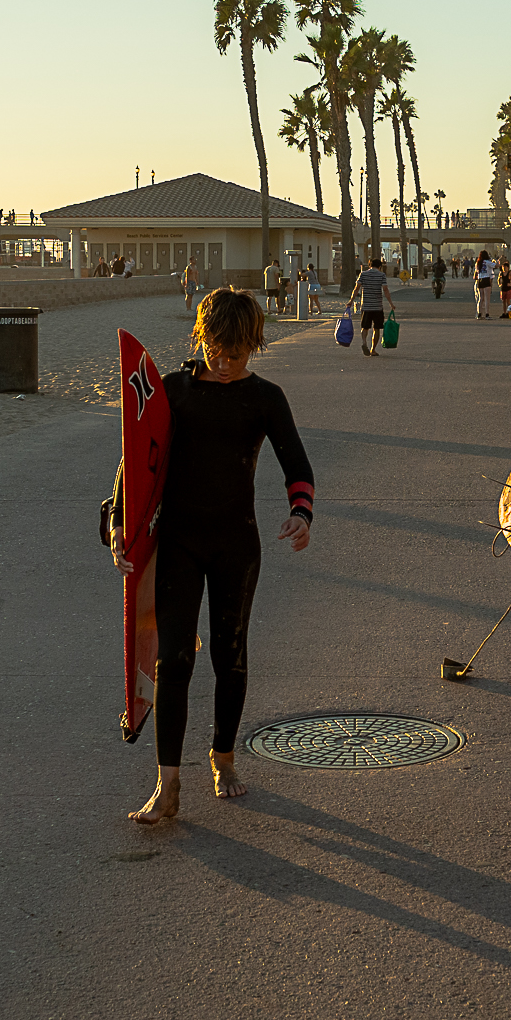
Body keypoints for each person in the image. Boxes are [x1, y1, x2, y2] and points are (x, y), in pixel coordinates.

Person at [111, 288, 315, 823]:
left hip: (236, 545)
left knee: (230, 657)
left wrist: (302, 513)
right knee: (172, 658)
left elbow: (297, 462)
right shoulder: (173, 392)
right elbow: (131, 471)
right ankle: (167, 785)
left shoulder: (265, 397)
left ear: (254, 346)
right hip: (179, 541)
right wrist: (117, 527)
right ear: (201, 339)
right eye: (217, 352)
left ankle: (223, 758)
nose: (225, 365)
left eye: (238, 355)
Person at [350, 254, 395, 355]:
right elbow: (386, 290)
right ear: (380, 266)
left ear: (369, 265)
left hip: (366, 305)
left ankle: (364, 342)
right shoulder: (381, 275)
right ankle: (373, 349)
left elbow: (356, 288)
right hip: (377, 306)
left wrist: (351, 301)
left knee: (365, 327)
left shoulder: (363, 274)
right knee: (377, 328)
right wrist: (391, 303)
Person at [473, 250, 497, 319]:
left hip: (480, 280)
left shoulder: (478, 263)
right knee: (487, 298)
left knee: (481, 298)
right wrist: (497, 261)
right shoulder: (488, 262)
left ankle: (479, 313)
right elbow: (496, 265)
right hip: (486, 279)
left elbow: (476, 272)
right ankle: (487, 314)